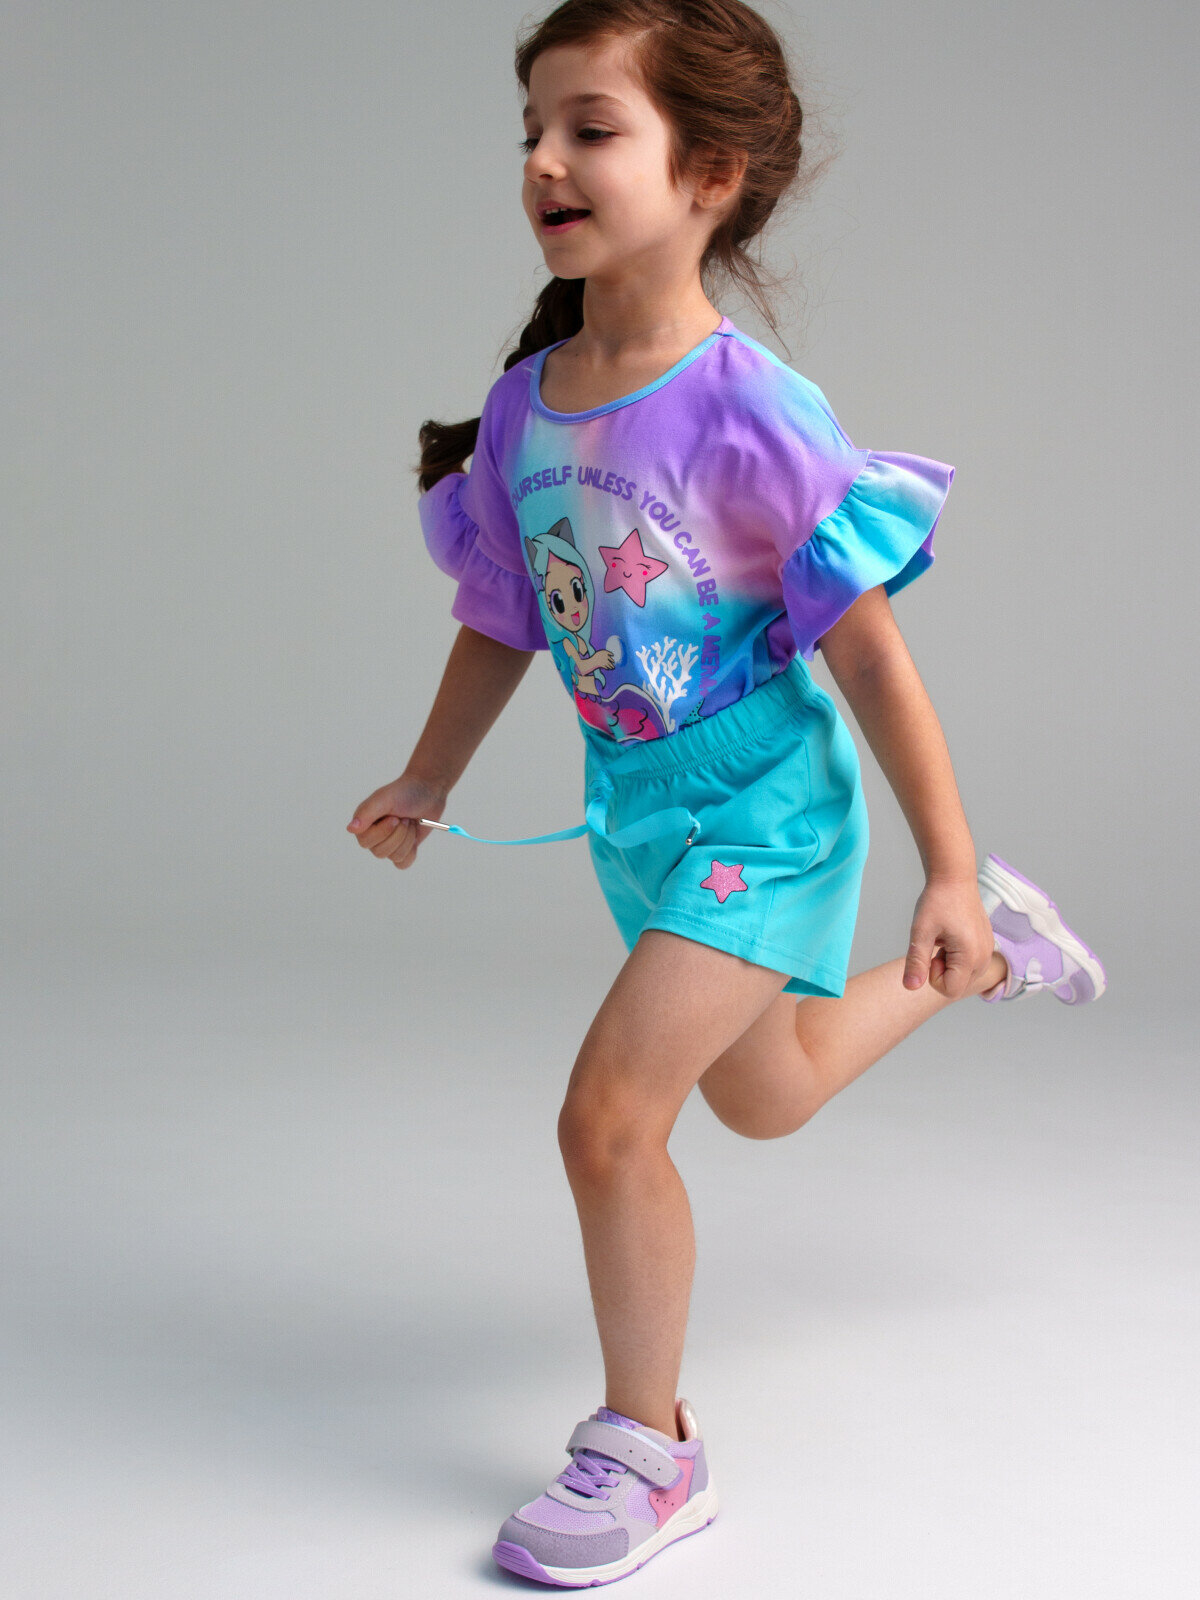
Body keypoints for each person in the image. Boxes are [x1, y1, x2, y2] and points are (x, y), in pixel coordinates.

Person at [347, 1, 1108, 1586]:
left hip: (769, 811)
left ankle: (650, 1451)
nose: (545, 162)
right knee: (766, 1096)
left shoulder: (750, 405)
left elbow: (873, 658)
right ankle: (996, 950)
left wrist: (941, 860)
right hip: (637, 812)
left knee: (608, 1120)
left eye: (591, 128)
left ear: (712, 174)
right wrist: (429, 774)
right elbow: (505, 612)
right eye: (532, 132)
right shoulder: (527, 405)